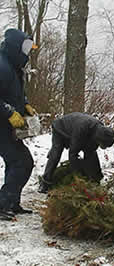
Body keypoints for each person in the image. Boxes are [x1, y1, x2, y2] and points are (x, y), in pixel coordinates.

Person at [0, 29, 37, 217]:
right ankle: (3, 204)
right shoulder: (2, 66)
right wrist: (9, 112)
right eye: (25, 48)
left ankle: (11, 202)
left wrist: (26, 105)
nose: (27, 53)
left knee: (20, 161)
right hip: (1, 126)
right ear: (15, 47)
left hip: (7, 127)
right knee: (20, 161)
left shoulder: (13, 67)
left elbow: (15, 93)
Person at [38, 112, 114, 194]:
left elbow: (90, 154)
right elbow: (73, 154)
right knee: (56, 154)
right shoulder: (82, 129)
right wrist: (78, 177)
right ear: (98, 138)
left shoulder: (100, 130)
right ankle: (45, 183)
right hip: (60, 128)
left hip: (76, 131)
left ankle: (95, 180)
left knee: (91, 154)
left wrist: (95, 178)